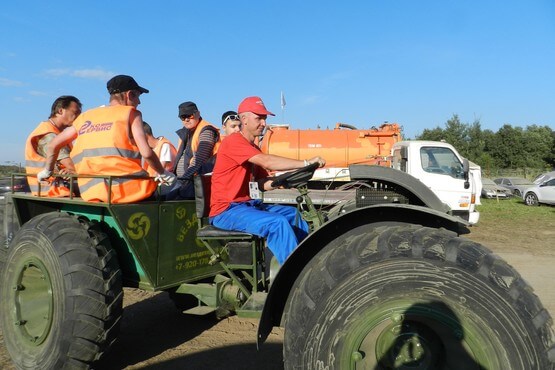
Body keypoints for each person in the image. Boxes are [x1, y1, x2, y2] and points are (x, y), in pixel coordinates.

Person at [209, 96, 325, 264]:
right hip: (226, 211)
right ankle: (295, 275)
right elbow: (267, 161)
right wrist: (306, 162)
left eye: (264, 118)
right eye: (259, 118)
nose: (264, 123)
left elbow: (261, 183)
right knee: (277, 223)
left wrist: (283, 181)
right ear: (244, 119)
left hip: (247, 205)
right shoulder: (233, 142)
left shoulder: (252, 148)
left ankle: (312, 260)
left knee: (295, 215)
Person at [37, 75, 176, 203]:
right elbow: (146, 153)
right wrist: (164, 173)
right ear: (129, 94)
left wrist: (47, 171)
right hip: (128, 190)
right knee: (177, 190)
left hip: (91, 191)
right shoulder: (130, 114)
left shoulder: (86, 116)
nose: (139, 102)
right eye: (137, 96)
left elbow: (53, 145)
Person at [25, 95, 82, 197]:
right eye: (75, 113)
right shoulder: (49, 134)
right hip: (53, 189)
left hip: (59, 187)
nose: (78, 117)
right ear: (60, 111)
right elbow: (70, 165)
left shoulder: (58, 134)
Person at [168, 101, 220, 199]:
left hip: (198, 182)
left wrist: (184, 179)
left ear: (198, 113)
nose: (186, 119)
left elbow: (201, 158)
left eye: (190, 115)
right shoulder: (186, 133)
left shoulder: (206, 130)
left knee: (172, 198)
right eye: (183, 117)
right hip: (187, 181)